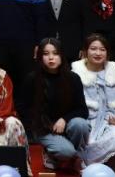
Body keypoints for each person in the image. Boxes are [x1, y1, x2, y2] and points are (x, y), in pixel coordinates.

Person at [72, 34, 115, 172]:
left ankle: (112, 165)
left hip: (111, 121)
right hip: (87, 121)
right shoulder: (75, 74)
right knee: (88, 142)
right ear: (85, 52)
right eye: (93, 49)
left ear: (107, 53)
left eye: (102, 49)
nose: (98, 53)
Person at [24, 38, 89, 172]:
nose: (51, 57)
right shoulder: (32, 78)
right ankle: (60, 155)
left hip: (67, 125)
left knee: (81, 124)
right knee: (66, 151)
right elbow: (22, 107)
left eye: (55, 53)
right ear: (40, 56)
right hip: (43, 128)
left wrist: (64, 119)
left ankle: (64, 159)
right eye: (46, 54)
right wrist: (43, 124)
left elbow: (82, 110)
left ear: (61, 55)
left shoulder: (73, 78)